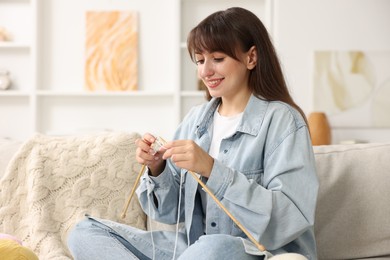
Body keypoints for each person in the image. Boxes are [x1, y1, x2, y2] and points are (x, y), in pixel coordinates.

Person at [67, 7, 319, 260]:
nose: (205, 72)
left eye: (218, 59)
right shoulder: (196, 120)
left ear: (251, 57)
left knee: (212, 247)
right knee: (84, 232)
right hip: (191, 249)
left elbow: (290, 218)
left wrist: (213, 169)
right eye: (200, 61)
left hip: (253, 251)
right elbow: (166, 213)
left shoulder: (283, 121)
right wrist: (158, 170)